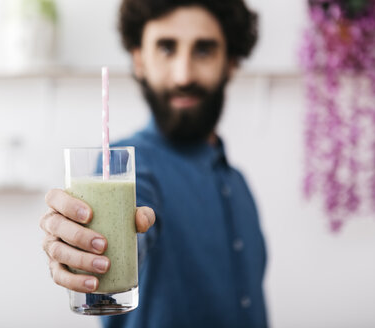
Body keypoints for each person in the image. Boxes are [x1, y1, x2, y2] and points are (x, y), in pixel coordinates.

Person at [40, 0, 268, 327]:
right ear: (139, 60)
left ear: (230, 63)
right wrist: (91, 242)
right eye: (166, 48)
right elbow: (136, 214)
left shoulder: (239, 183)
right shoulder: (122, 169)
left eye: (203, 50)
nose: (183, 75)